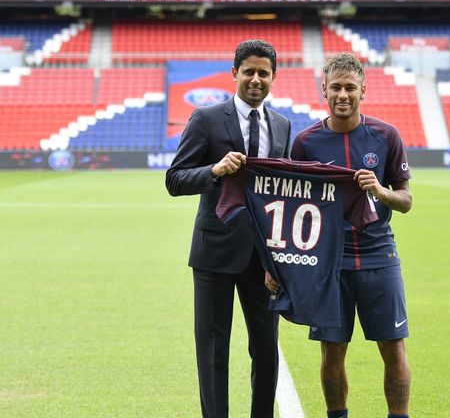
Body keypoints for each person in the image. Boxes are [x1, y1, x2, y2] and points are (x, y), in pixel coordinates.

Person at [165, 39, 291, 418]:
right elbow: (175, 179)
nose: (255, 79)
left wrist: (282, 255)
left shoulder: (282, 125)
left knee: (267, 347)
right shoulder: (205, 119)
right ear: (234, 73)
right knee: (214, 349)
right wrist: (214, 171)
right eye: (248, 71)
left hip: (266, 256)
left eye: (263, 73)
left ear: (273, 77)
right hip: (214, 253)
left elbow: (283, 192)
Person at [286, 53, 413, 418]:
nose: (343, 94)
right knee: (332, 349)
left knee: (393, 346)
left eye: (351, 88)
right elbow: (295, 207)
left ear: (363, 91)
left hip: (378, 255)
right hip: (329, 262)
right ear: (323, 89)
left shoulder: (386, 135)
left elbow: (405, 201)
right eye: (336, 87)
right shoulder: (305, 143)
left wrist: (380, 191)